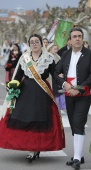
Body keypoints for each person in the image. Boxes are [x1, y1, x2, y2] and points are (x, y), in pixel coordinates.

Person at [0, 34, 65, 163]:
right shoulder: (24, 58)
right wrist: (12, 87)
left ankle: (35, 149)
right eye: (32, 42)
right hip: (26, 92)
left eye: (37, 41)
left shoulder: (49, 58)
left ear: (41, 43)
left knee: (39, 120)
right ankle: (30, 147)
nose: (34, 44)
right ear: (29, 45)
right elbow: (18, 76)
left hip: (42, 93)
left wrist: (64, 84)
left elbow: (55, 75)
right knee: (24, 118)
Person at [54, 27, 91, 169]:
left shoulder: (90, 55)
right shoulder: (66, 55)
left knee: (79, 122)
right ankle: (78, 154)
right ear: (70, 40)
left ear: (82, 39)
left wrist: (78, 89)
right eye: (75, 36)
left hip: (84, 95)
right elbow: (55, 72)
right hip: (68, 95)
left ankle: (77, 158)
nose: (77, 39)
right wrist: (65, 84)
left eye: (80, 36)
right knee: (74, 124)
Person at [47, 43, 66, 110]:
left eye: (57, 49)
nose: (56, 50)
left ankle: (59, 106)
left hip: (57, 77)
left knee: (58, 91)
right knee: (53, 91)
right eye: (54, 49)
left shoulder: (57, 56)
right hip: (50, 77)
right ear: (50, 49)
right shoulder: (48, 57)